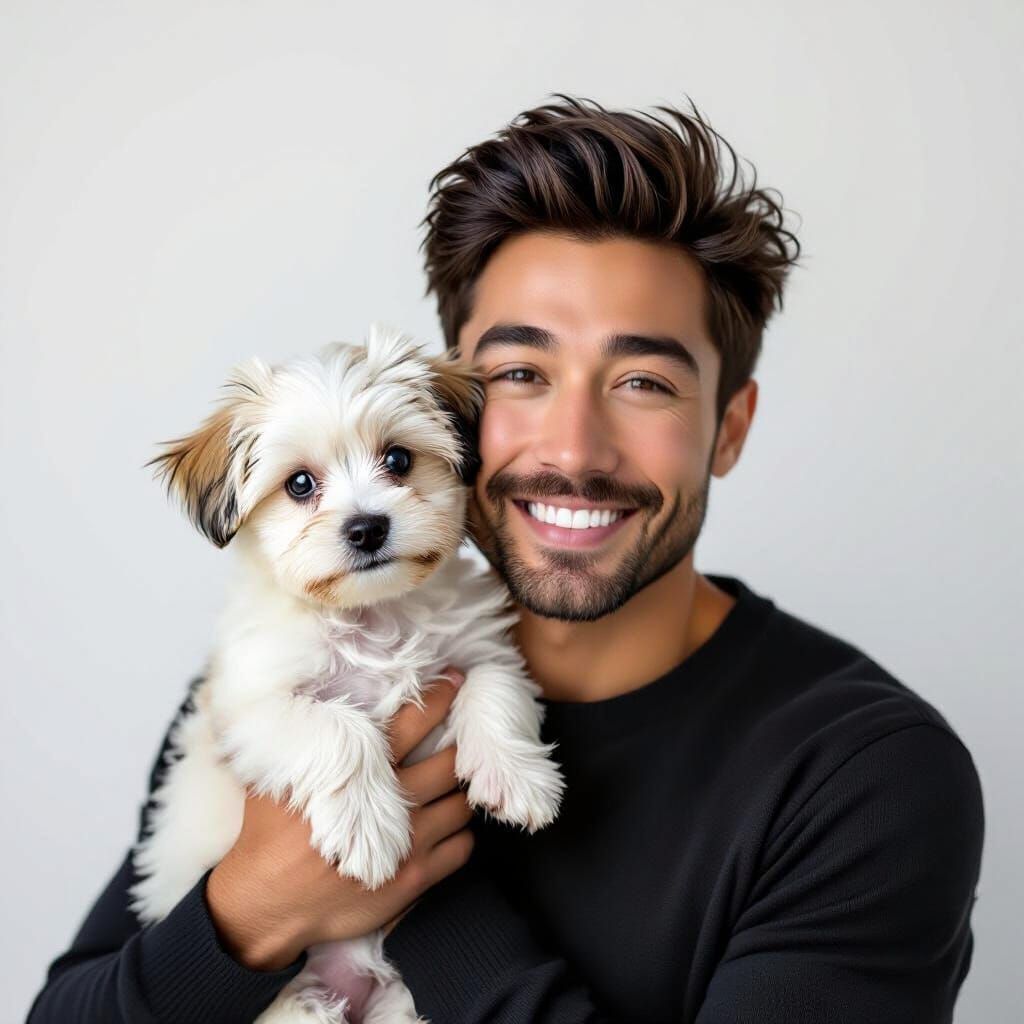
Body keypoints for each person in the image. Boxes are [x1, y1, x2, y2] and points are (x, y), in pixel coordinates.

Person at [28, 95, 984, 1023]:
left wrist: (399, 895)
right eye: (521, 374)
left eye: (644, 381)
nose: (573, 449)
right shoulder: (279, 680)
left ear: (728, 428)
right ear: (453, 408)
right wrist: (244, 912)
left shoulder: (867, 780)